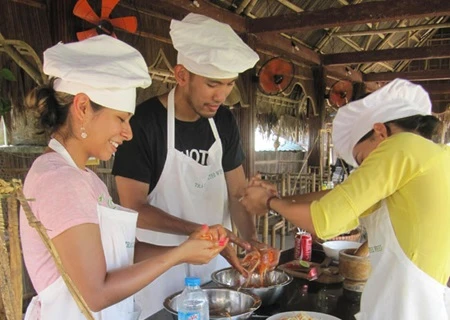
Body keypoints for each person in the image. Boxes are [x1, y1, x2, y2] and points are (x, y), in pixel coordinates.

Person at [20, 35, 229, 320]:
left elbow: (122, 252)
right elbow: (96, 293)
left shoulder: (83, 177)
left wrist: (184, 248)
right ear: (82, 108)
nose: (128, 133)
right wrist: (178, 256)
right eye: (121, 118)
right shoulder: (61, 182)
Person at [240, 78, 450, 319]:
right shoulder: (426, 156)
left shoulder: (402, 146)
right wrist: (281, 197)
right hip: (413, 300)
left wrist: (268, 203)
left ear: (381, 132)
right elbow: (340, 197)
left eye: (362, 160)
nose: (364, 169)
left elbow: (326, 220)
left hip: (406, 304)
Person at [111, 13, 273, 318]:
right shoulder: (144, 124)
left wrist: (250, 241)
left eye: (228, 84)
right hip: (158, 269)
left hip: (215, 266)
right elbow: (134, 208)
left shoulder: (223, 121)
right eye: (213, 84)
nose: (221, 95)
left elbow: (237, 192)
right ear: (182, 75)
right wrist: (199, 232)